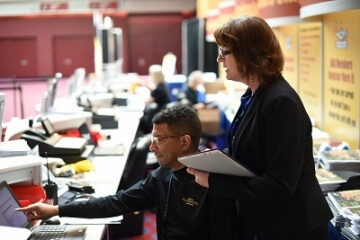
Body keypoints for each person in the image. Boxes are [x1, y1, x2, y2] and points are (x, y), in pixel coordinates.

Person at [187, 16, 333, 240]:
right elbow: (252, 153)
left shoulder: (281, 103)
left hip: (293, 228)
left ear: (249, 53)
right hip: (269, 222)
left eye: (225, 52)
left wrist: (215, 181)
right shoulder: (254, 95)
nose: (219, 58)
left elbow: (281, 184)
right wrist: (214, 161)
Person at [17, 104, 241, 240]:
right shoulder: (162, 175)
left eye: (159, 140)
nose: (152, 148)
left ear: (184, 142)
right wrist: (55, 210)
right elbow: (116, 202)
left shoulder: (214, 183)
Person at [139, 64, 171, 134]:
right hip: (161, 112)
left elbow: (147, 101)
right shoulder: (162, 86)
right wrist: (146, 86)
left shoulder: (159, 90)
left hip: (157, 114)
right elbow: (154, 92)